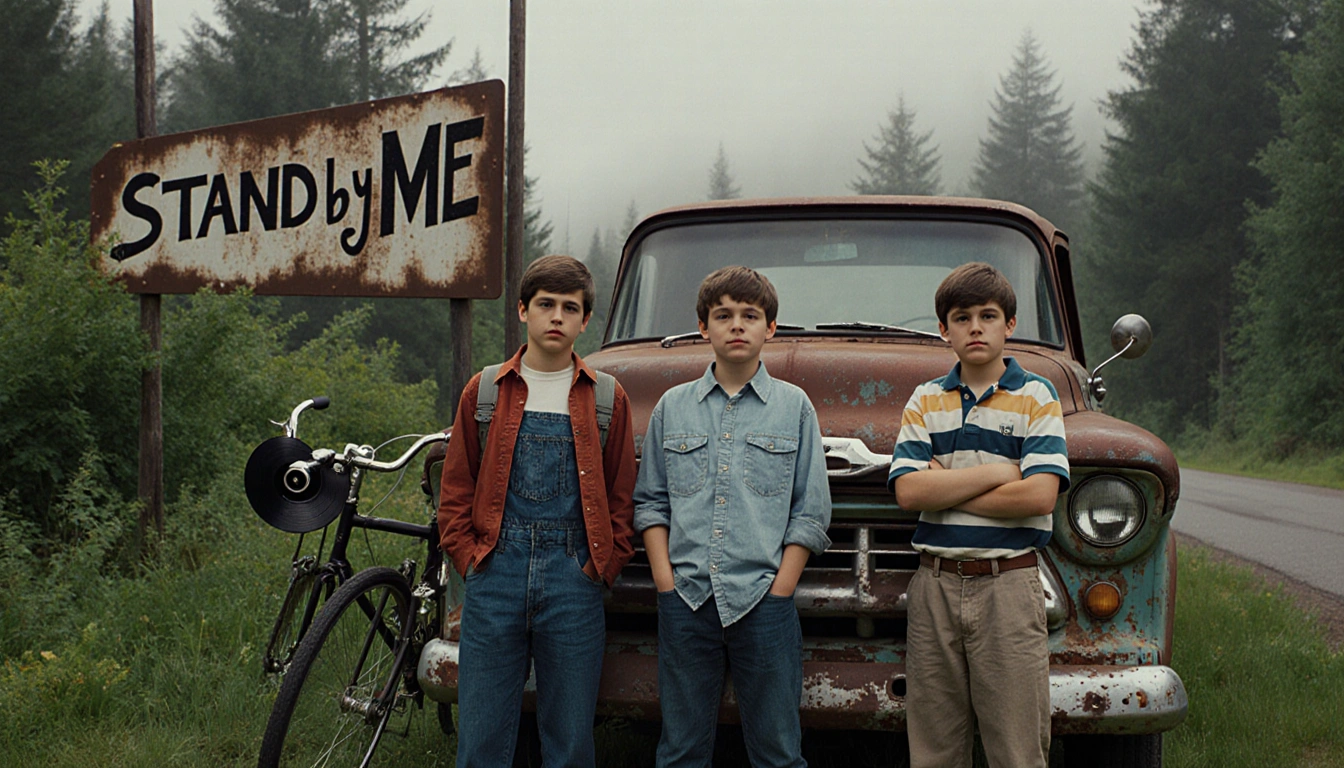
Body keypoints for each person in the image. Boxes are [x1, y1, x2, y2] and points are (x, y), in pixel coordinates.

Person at [438, 254, 638, 768]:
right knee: (481, 740)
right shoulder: (484, 391)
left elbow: (621, 497)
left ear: (585, 321)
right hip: (495, 572)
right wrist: (469, 558)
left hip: (574, 578)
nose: (557, 317)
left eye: (570, 308)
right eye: (545, 304)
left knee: (570, 743)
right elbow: (456, 488)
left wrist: (604, 565)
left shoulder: (606, 398)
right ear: (523, 310)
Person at [634, 266, 832, 768]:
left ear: (771, 328)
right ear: (704, 327)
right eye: (723, 315)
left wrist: (781, 588)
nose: (737, 325)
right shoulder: (671, 408)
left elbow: (810, 510)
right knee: (680, 749)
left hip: (764, 601)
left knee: (778, 751)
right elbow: (651, 502)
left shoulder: (794, 408)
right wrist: (665, 582)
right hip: (686, 600)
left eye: (750, 315)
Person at [889, 262, 1070, 768]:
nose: (975, 327)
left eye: (987, 316)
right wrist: (1001, 473)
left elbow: (1039, 497)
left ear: (1009, 325)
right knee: (934, 747)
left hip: (1008, 587)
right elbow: (907, 492)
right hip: (935, 586)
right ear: (943, 330)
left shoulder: (1037, 396)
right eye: (961, 317)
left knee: (1016, 747)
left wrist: (942, 486)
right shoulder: (926, 399)